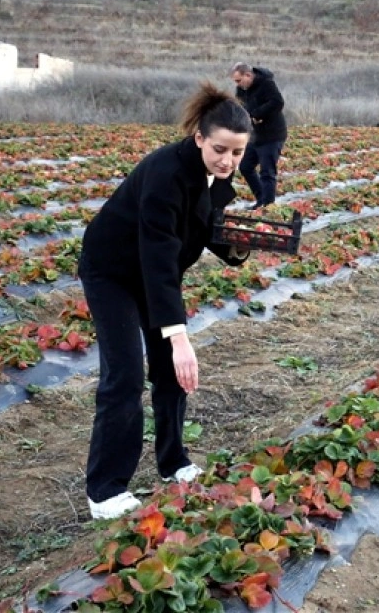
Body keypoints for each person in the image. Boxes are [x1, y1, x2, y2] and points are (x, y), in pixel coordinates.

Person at [78, 82, 253, 519]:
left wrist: (238, 243)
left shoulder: (211, 174)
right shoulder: (164, 174)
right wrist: (178, 337)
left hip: (154, 272)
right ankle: (105, 489)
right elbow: (158, 256)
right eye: (219, 150)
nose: (228, 161)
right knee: (126, 375)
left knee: (172, 376)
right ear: (198, 137)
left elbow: (201, 225)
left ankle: (173, 462)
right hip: (114, 271)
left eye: (237, 152)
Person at [230, 62, 287, 209]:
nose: (238, 84)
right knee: (245, 166)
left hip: (272, 134)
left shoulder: (266, 84)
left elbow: (278, 102)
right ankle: (261, 199)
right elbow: (240, 106)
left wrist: (257, 114)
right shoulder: (241, 89)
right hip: (254, 135)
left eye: (239, 80)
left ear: (248, 75)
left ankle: (268, 207)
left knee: (267, 172)